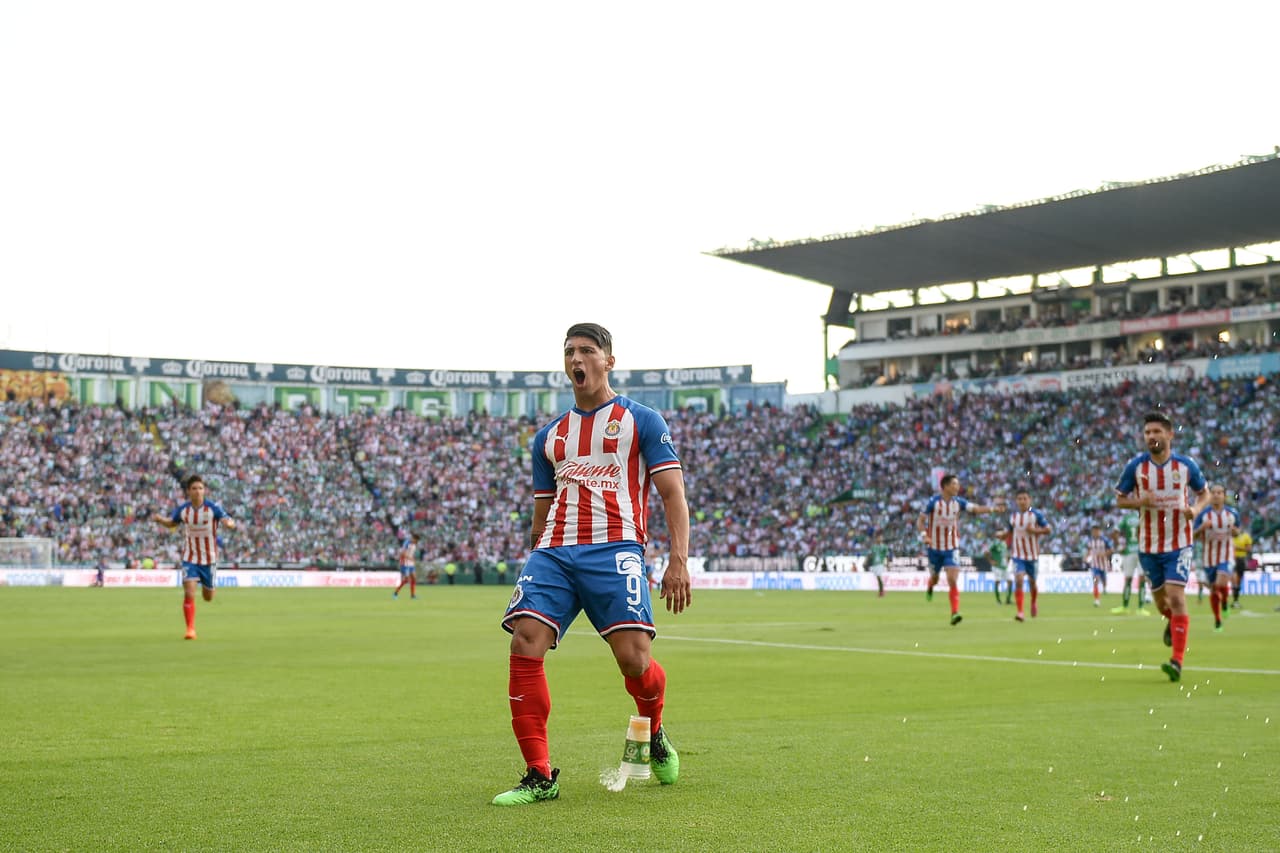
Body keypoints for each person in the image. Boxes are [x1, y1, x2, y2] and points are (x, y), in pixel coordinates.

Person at [493, 323, 692, 807]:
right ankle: (539, 775)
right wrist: (535, 554)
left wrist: (678, 560)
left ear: (608, 361)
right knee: (525, 640)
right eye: (569, 352)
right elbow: (542, 510)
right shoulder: (549, 437)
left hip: (615, 549)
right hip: (555, 553)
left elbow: (671, 493)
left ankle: (656, 730)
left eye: (587, 351)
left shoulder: (641, 420)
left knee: (634, 659)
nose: (576, 359)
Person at [1114, 411, 1209, 683]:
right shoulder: (1136, 467)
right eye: (1147, 433)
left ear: (1170, 434)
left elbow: (1204, 492)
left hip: (1179, 542)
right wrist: (1139, 502)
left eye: (1157, 432)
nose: (1151, 437)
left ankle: (1176, 661)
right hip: (1148, 544)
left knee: (1176, 598)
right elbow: (1120, 499)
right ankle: (1173, 622)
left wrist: (1196, 509)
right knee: (1160, 602)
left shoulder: (1185, 465)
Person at [152, 474, 236, 640]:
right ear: (188, 491)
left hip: (209, 559)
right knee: (189, 592)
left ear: (204, 491)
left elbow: (227, 519)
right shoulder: (184, 510)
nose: (198, 491)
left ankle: (209, 587)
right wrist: (161, 520)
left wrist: (229, 524)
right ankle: (190, 629)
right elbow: (173, 523)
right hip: (190, 557)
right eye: (194, 488)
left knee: (208, 597)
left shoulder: (212, 508)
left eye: (200, 488)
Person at [917, 474, 1003, 626]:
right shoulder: (933, 502)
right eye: (954, 484)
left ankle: (954, 612)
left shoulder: (959, 502)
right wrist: (924, 535)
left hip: (951, 548)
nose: (957, 487)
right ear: (945, 486)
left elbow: (975, 509)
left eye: (957, 484)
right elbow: (921, 521)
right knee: (935, 578)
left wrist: (992, 509)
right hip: (934, 548)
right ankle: (930, 585)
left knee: (952, 579)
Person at [1192, 485, 1240, 633]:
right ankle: (1218, 619)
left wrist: (1234, 531)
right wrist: (1202, 528)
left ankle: (1225, 602)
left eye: (1219, 493)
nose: (1216, 495)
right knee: (1213, 589)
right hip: (1209, 558)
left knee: (1221, 582)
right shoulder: (1204, 515)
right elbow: (1193, 535)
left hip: (1226, 555)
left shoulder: (1232, 514)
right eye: (1213, 493)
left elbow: (1237, 532)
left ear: (1224, 496)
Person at [1008, 489, 1051, 622]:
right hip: (1017, 555)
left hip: (1032, 556)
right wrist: (1001, 535)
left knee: (1032, 583)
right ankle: (1020, 612)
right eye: (1019, 498)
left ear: (1029, 500)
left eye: (1024, 498)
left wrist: (1035, 530)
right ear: (1016, 501)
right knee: (1019, 580)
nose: (1022, 501)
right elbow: (1009, 532)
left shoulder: (1036, 514)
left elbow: (1048, 529)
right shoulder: (1013, 516)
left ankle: (1033, 602)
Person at [1109, 511, 1152, 616]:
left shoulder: (1126, 518)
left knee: (1128, 580)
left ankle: (1125, 606)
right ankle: (1140, 608)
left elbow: (1114, 532)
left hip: (1129, 552)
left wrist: (1119, 546)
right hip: (1142, 551)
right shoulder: (1145, 516)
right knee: (1142, 579)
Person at [1084, 524, 1112, 608]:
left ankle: (1104, 588)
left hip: (1103, 564)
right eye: (1093, 531)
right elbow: (1088, 550)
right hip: (1094, 564)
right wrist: (1086, 557)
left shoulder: (1105, 540)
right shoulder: (1090, 541)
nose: (1095, 533)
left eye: (1096, 531)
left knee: (1103, 579)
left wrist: (1103, 554)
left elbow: (1111, 550)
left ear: (1099, 531)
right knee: (1095, 580)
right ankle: (1097, 600)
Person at [987, 529, 1013, 605]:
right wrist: (991, 561)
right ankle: (998, 600)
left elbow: (1006, 553)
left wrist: (1008, 560)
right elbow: (986, 552)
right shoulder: (994, 543)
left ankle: (1008, 600)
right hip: (997, 566)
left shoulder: (1004, 543)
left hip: (1004, 566)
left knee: (1010, 581)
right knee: (997, 582)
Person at [1231, 525, 1253, 610]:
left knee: (1238, 581)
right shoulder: (1228, 537)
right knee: (1233, 579)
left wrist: (1237, 548)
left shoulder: (1245, 536)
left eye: (1234, 529)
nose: (1233, 531)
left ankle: (1236, 600)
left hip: (1241, 560)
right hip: (1231, 560)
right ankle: (1234, 600)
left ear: (1238, 528)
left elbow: (1248, 549)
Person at [864, 531, 890, 597]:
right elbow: (869, 555)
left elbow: (887, 556)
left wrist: (887, 564)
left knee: (878, 577)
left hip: (880, 564)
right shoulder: (873, 547)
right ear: (876, 539)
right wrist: (866, 562)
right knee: (877, 577)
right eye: (878, 538)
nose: (880, 539)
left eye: (881, 538)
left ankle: (881, 591)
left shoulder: (884, 547)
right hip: (874, 564)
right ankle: (881, 591)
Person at [394, 534, 418, 600]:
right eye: (414, 539)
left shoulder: (414, 545)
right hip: (405, 563)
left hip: (411, 564)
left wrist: (412, 559)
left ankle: (412, 595)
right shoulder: (407, 543)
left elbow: (411, 554)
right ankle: (395, 593)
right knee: (406, 580)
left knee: (414, 578)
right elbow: (402, 553)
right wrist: (410, 558)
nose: (415, 540)